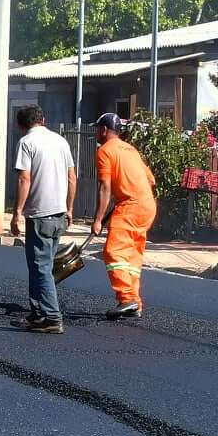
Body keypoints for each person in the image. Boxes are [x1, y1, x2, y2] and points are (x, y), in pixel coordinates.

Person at [10, 105, 77, 334]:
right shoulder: (60, 141)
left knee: (41, 268)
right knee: (40, 265)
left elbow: (24, 179)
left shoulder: (26, 143)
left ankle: (52, 317)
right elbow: (72, 177)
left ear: (21, 125)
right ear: (43, 120)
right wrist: (69, 208)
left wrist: (17, 212)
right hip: (58, 214)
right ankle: (38, 313)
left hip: (40, 215)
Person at [90, 112, 158, 319]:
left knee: (113, 251)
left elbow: (105, 188)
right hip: (148, 205)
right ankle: (134, 303)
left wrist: (98, 219)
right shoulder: (130, 150)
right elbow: (151, 180)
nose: (96, 133)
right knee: (132, 255)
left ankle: (126, 297)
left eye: (97, 129)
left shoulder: (104, 151)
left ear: (103, 129)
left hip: (130, 205)